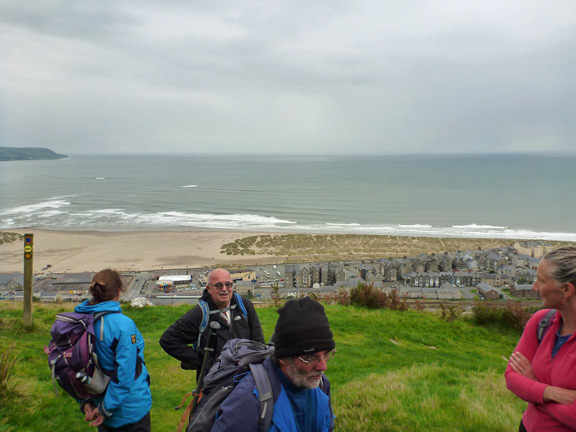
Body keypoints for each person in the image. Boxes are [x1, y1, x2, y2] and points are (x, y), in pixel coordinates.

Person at [211, 296, 336, 432]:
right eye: (310, 357)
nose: (323, 367)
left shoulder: (321, 385)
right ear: (283, 358)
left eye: (326, 354)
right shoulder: (248, 401)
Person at [506, 247, 576, 432]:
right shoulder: (542, 322)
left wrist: (534, 389)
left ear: (566, 289)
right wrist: (552, 393)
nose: (534, 287)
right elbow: (512, 378)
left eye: (541, 280)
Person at [77, 269, 152, 431]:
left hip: (96, 399)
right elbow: (125, 375)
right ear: (118, 291)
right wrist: (106, 409)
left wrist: (86, 402)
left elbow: (74, 365)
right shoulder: (122, 325)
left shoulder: (79, 321)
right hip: (129, 409)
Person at [159, 268, 265, 375]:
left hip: (245, 377)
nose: (224, 289)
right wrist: (203, 360)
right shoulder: (200, 313)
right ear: (209, 288)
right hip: (214, 382)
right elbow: (168, 340)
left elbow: (258, 342)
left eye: (228, 284)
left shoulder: (244, 305)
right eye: (218, 285)